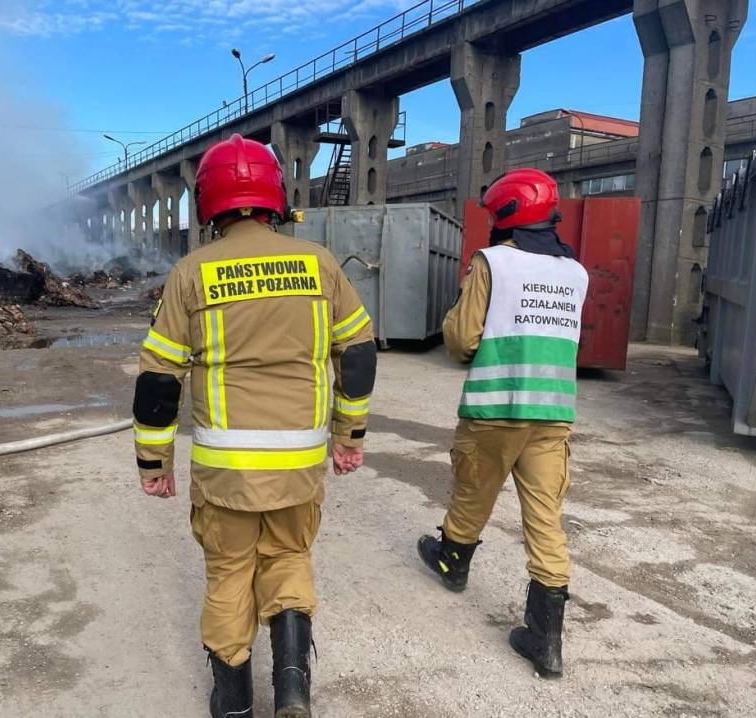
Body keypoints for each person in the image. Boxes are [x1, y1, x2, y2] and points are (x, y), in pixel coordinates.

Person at [132, 133, 377, 717]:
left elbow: (159, 379)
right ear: (275, 197)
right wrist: (348, 436)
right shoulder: (318, 263)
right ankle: (292, 690)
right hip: (298, 463)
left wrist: (154, 463)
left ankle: (234, 703)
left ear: (208, 202)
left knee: (228, 572)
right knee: (289, 558)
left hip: (227, 470)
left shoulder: (191, 272)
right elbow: (359, 355)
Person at [417, 168, 589, 678]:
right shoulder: (576, 272)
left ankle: (452, 562)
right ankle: (546, 641)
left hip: (495, 409)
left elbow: (461, 340)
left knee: (473, 492)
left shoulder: (492, 261)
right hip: (553, 414)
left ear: (506, 215)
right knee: (546, 519)